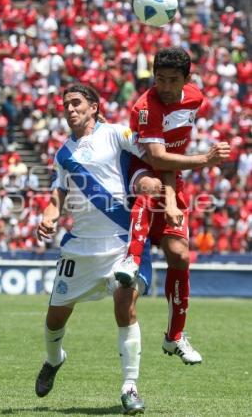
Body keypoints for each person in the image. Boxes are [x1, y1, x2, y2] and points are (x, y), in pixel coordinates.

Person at [35, 83, 178, 415]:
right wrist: (50, 213)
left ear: (94, 107)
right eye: (65, 104)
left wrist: (156, 186)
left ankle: (130, 387)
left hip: (120, 242)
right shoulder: (63, 154)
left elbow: (155, 157)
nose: (69, 109)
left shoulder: (116, 133)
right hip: (80, 247)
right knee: (56, 317)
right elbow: (58, 194)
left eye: (76, 103)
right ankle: (54, 359)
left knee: (124, 306)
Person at [114, 47, 231, 365]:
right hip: (139, 170)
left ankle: (174, 337)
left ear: (186, 79)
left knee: (180, 254)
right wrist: (205, 160)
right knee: (149, 185)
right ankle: (130, 261)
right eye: (159, 79)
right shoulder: (145, 107)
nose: (164, 86)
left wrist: (171, 196)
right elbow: (155, 157)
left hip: (172, 175)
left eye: (172, 80)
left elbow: (170, 159)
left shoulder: (195, 99)